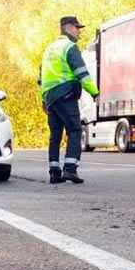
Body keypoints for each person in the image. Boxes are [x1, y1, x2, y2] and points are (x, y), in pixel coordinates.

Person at [39, 15, 99, 184]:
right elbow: (82, 73)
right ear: (68, 28)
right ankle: (70, 170)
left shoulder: (49, 49)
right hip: (65, 94)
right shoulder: (70, 47)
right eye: (77, 28)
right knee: (75, 130)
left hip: (50, 98)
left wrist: (44, 100)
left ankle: (54, 172)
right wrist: (95, 93)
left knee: (55, 134)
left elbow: (41, 78)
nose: (79, 33)